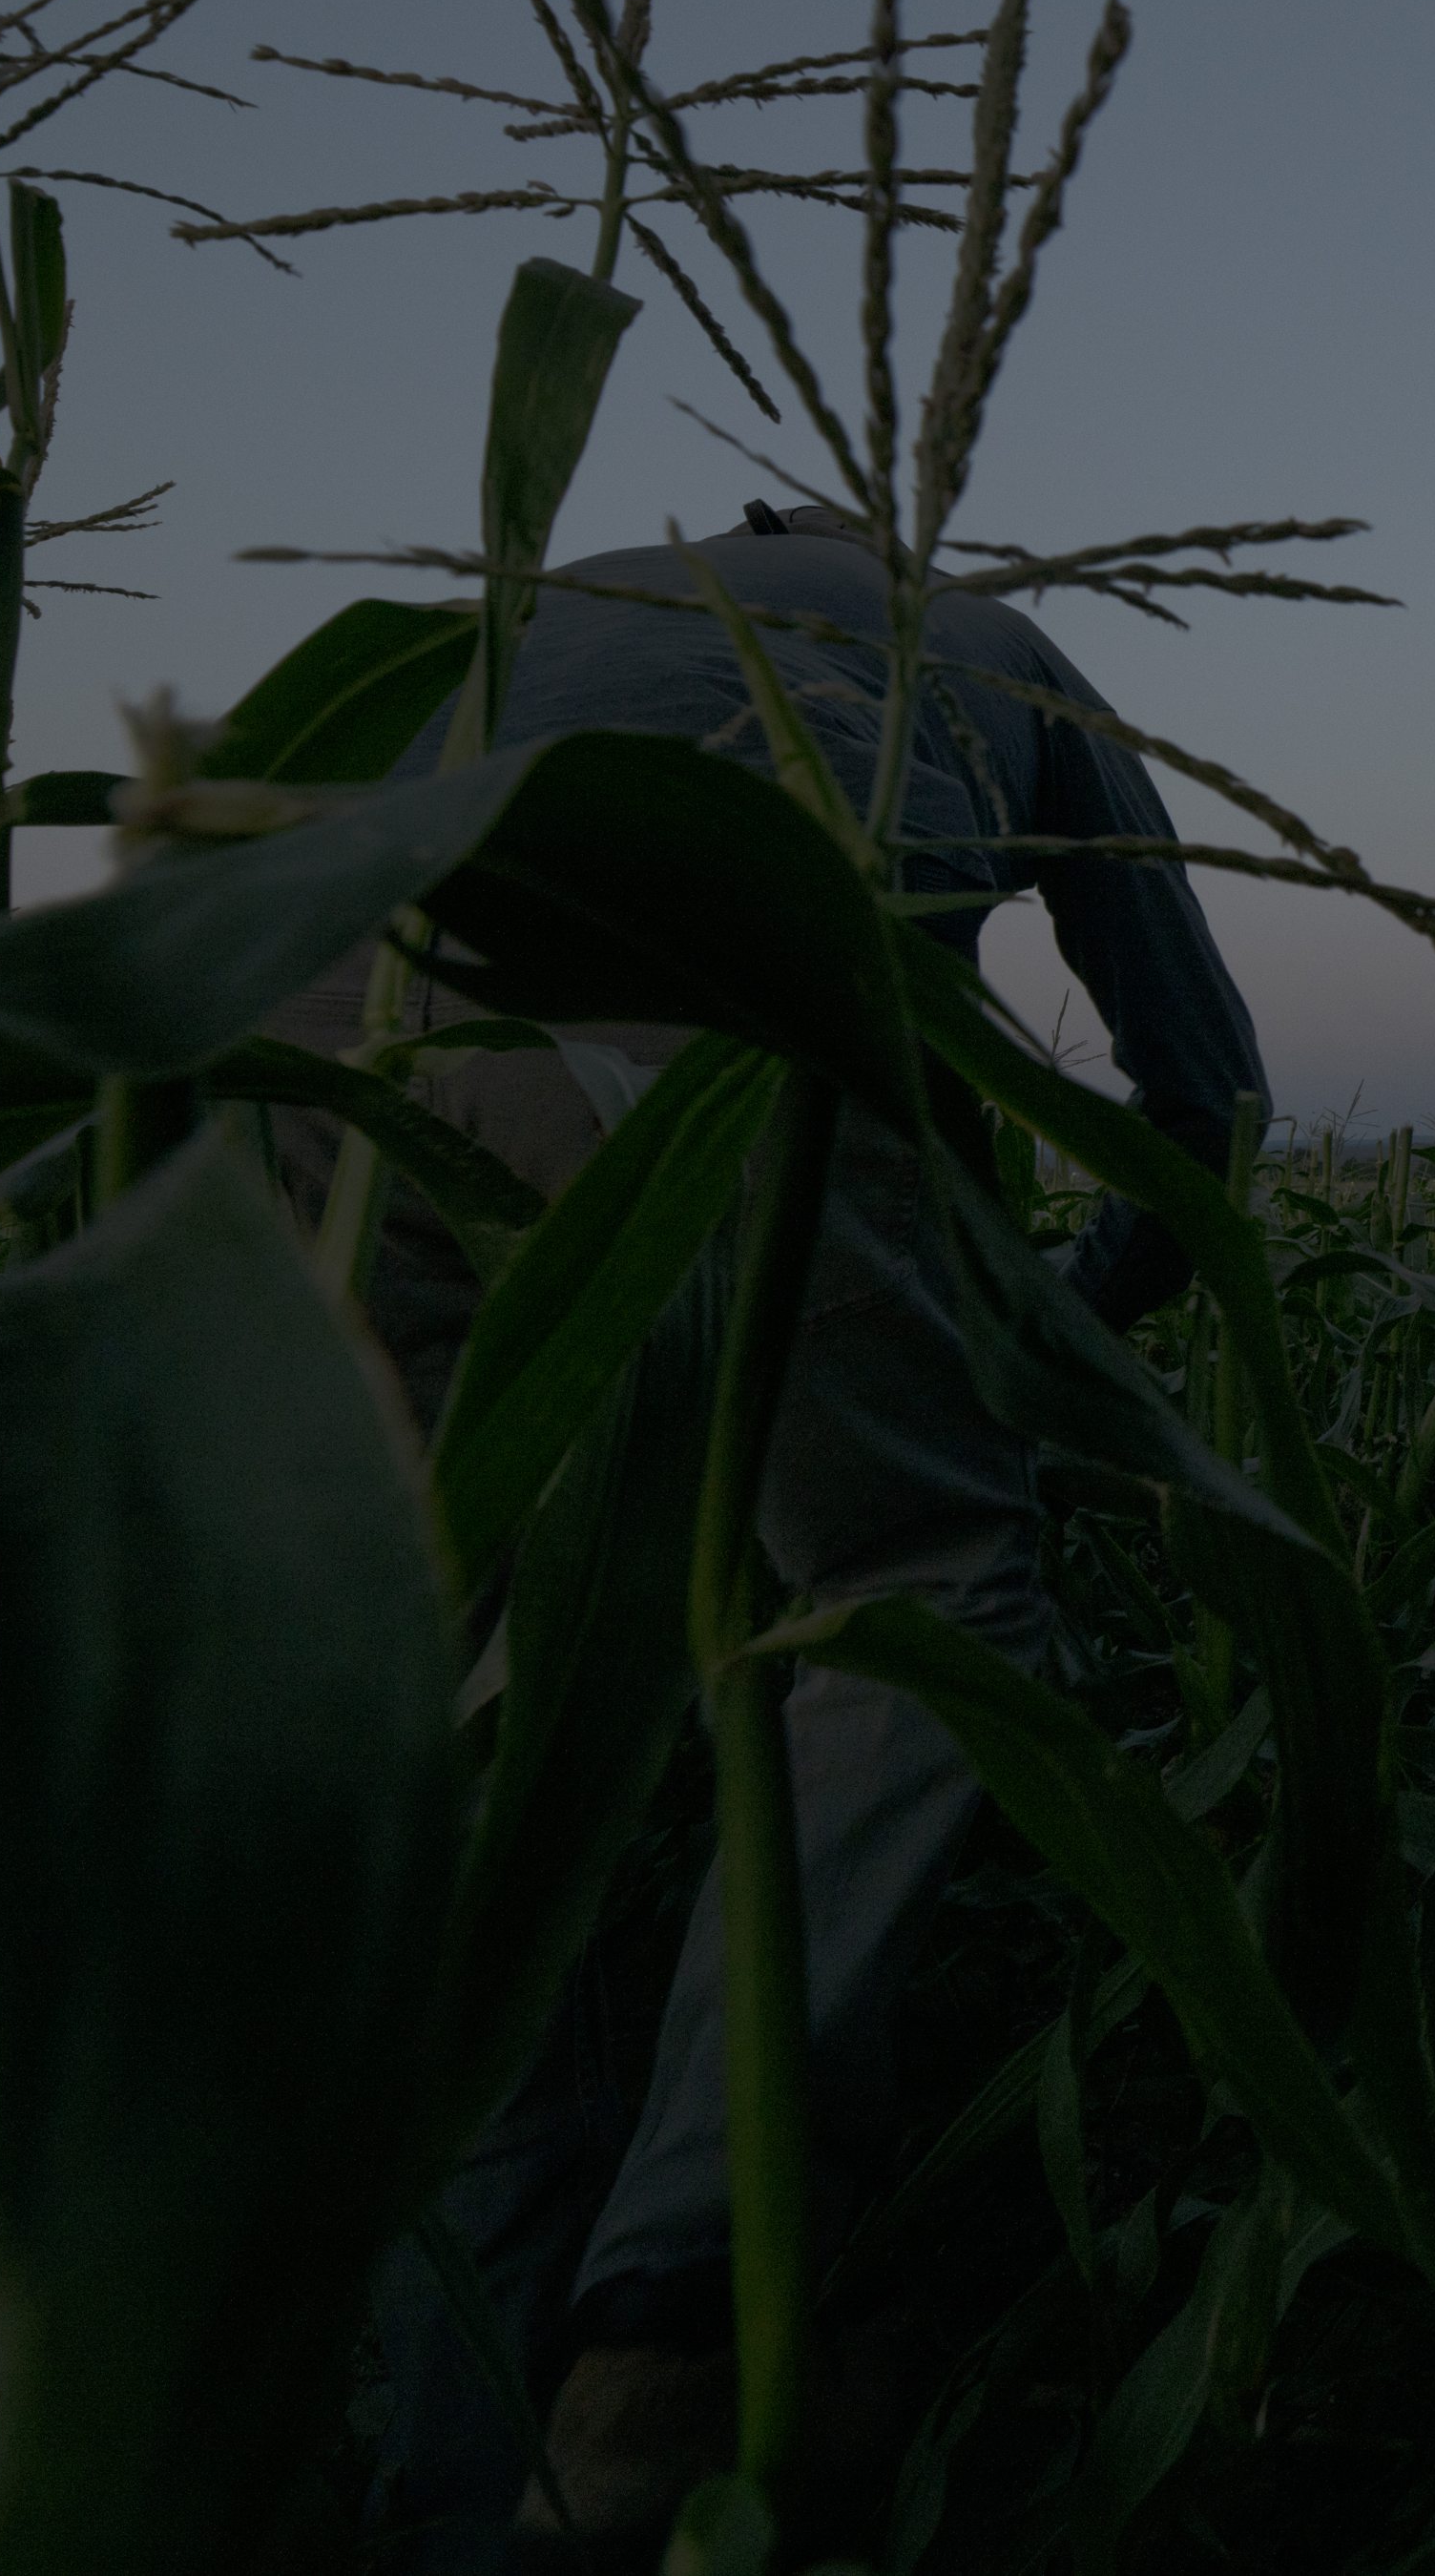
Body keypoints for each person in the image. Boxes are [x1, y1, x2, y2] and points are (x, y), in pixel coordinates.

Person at [288, 498, 1263, 2561]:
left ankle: (466, 2462)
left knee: (453, 1677)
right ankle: (666, 2330)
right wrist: (1040, 1354)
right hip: (698, 957)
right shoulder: (978, 630)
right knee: (925, 1588)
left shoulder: (550, 610)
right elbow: (1200, 1104)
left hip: (306, 1025)